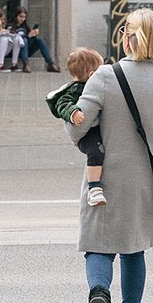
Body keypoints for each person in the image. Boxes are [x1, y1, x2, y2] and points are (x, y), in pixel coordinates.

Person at [64, 8, 153, 303]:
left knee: (98, 244)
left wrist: (67, 116)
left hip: (105, 173)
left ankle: (99, 293)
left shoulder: (104, 76)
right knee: (134, 248)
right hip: (146, 176)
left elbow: (79, 125)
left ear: (128, 38)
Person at [46, 48, 107, 206]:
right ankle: (94, 188)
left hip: (97, 128)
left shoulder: (95, 86)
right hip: (88, 134)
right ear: (90, 73)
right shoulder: (74, 89)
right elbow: (62, 103)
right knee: (96, 152)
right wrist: (73, 113)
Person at [10, 7, 61, 73]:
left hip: (25, 50)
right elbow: (14, 39)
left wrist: (34, 35)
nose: (22, 19)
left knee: (40, 40)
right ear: (16, 16)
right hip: (14, 51)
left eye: (24, 17)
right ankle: (25, 64)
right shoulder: (10, 26)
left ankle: (50, 63)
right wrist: (28, 36)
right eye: (20, 16)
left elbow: (29, 41)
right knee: (24, 40)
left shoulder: (24, 26)